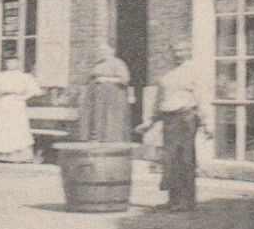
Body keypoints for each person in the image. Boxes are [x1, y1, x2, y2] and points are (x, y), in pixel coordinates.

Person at [141, 40, 202, 211]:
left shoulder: (193, 71)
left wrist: (207, 122)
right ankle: (173, 200)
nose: (178, 53)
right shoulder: (168, 74)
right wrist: (149, 122)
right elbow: (159, 101)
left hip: (185, 118)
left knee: (185, 160)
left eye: (182, 49)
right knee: (170, 160)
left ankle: (187, 202)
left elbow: (201, 96)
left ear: (188, 50)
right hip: (169, 120)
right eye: (175, 50)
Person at [0, 56, 43, 162]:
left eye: (13, 62)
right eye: (8, 62)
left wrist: (24, 97)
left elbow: (36, 90)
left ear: (18, 63)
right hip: (3, 104)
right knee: (4, 127)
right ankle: (4, 154)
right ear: (5, 64)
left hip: (17, 104)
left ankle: (21, 155)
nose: (11, 64)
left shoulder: (24, 76)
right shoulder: (0, 76)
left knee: (18, 126)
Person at [83, 41, 133, 142]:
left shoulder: (118, 63)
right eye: (100, 51)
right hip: (98, 99)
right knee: (99, 121)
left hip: (114, 99)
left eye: (105, 50)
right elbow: (88, 80)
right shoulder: (97, 65)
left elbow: (125, 80)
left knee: (112, 122)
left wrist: (105, 80)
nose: (102, 53)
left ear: (112, 51)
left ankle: (114, 143)